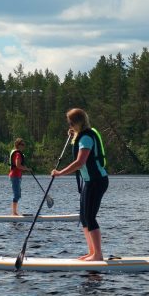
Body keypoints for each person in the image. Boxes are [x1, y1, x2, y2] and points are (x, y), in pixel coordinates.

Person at [51, 108, 108, 261]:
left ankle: (98, 255)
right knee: (83, 217)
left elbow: (80, 162)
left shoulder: (86, 138)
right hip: (89, 181)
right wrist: (73, 135)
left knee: (90, 217)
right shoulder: (80, 136)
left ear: (78, 122)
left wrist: (60, 173)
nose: (69, 125)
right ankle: (92, 252)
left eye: (71, 123)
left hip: (97, 181)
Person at [8, 137, 31, 216]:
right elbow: (18, 165)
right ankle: (14, 213)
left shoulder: (18, 153)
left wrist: (25, 168)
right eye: (22, 144)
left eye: (24, 144)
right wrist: (27, 169)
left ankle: (14, 212)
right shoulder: (17, 154)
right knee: (17, 195)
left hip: (17, 176)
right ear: (18, 145)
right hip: (15, 176)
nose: (24, 146)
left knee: (18, 195)